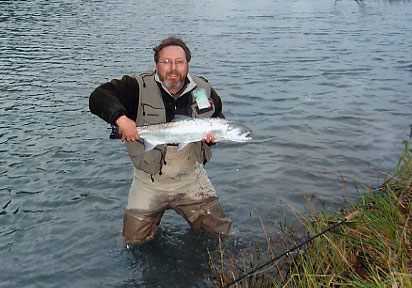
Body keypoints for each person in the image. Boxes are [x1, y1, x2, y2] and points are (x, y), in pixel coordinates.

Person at [89, 36, 232, 246]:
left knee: (224, 238)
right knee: (131, 244)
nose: (173, 68)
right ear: (156, 64)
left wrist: (212, 140)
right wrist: (121, 119)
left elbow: (218, 118)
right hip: (148, 182)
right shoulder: (136, 86)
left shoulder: (204, 90)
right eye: (166, 62)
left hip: (191, 178)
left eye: (179, 62)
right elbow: (98, 96)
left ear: (188, 64)